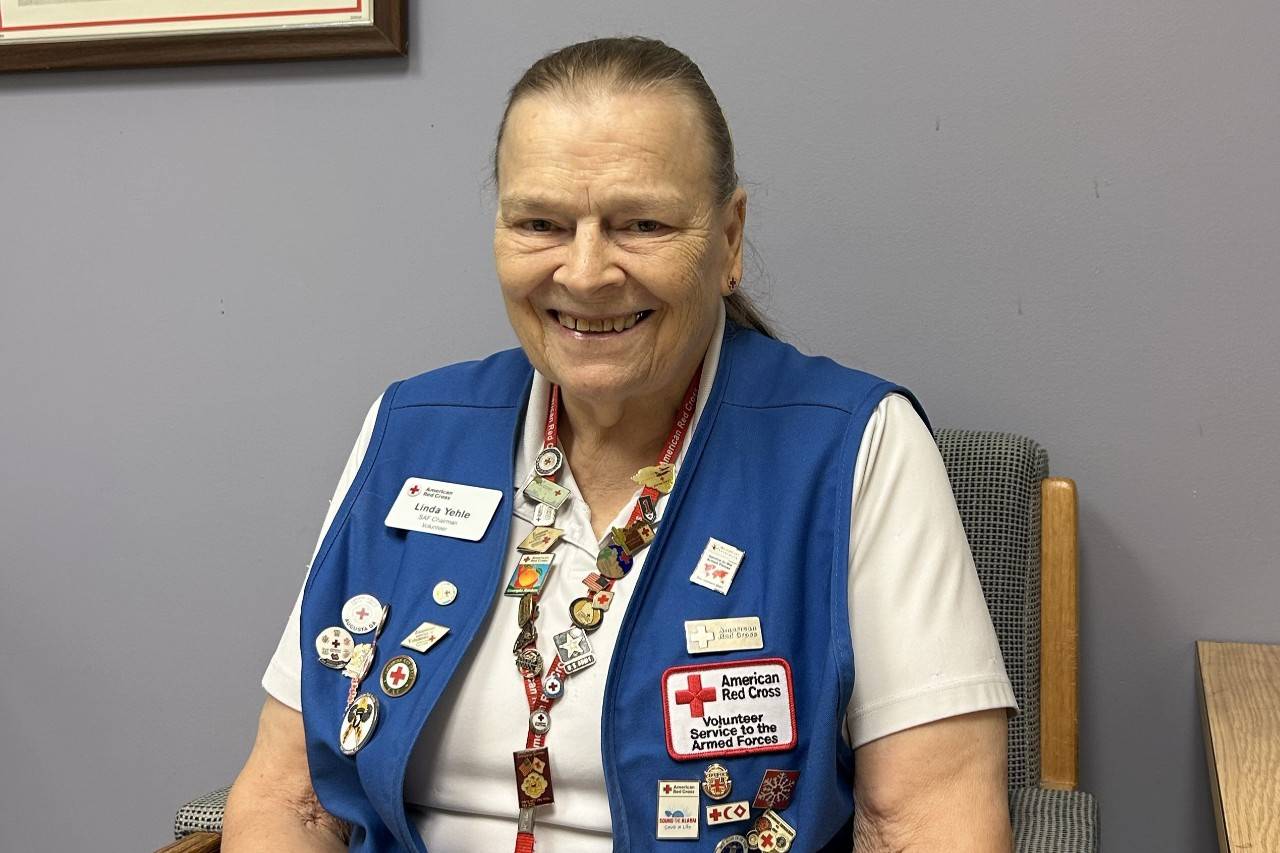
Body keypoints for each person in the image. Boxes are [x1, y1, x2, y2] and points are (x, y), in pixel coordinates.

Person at [223, 36, 1017, 853]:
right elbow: (295, 800)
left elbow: (924, 821)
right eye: (541, 223)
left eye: (640, 223)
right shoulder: (412, 429)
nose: (587, 272)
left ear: (730, 240)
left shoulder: (855, 448)